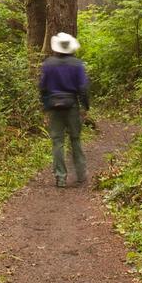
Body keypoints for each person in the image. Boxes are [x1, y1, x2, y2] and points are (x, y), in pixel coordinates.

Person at [39, 32, 89, 188]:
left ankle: (60, 177)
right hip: (72, 106)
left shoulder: (48, 64)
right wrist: (85, 106)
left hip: (54, 106)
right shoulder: (77, 64)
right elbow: (83, 88)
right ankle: (81, 174)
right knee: (75, 139)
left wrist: (45, 106)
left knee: (57, 142)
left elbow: (42, 87)